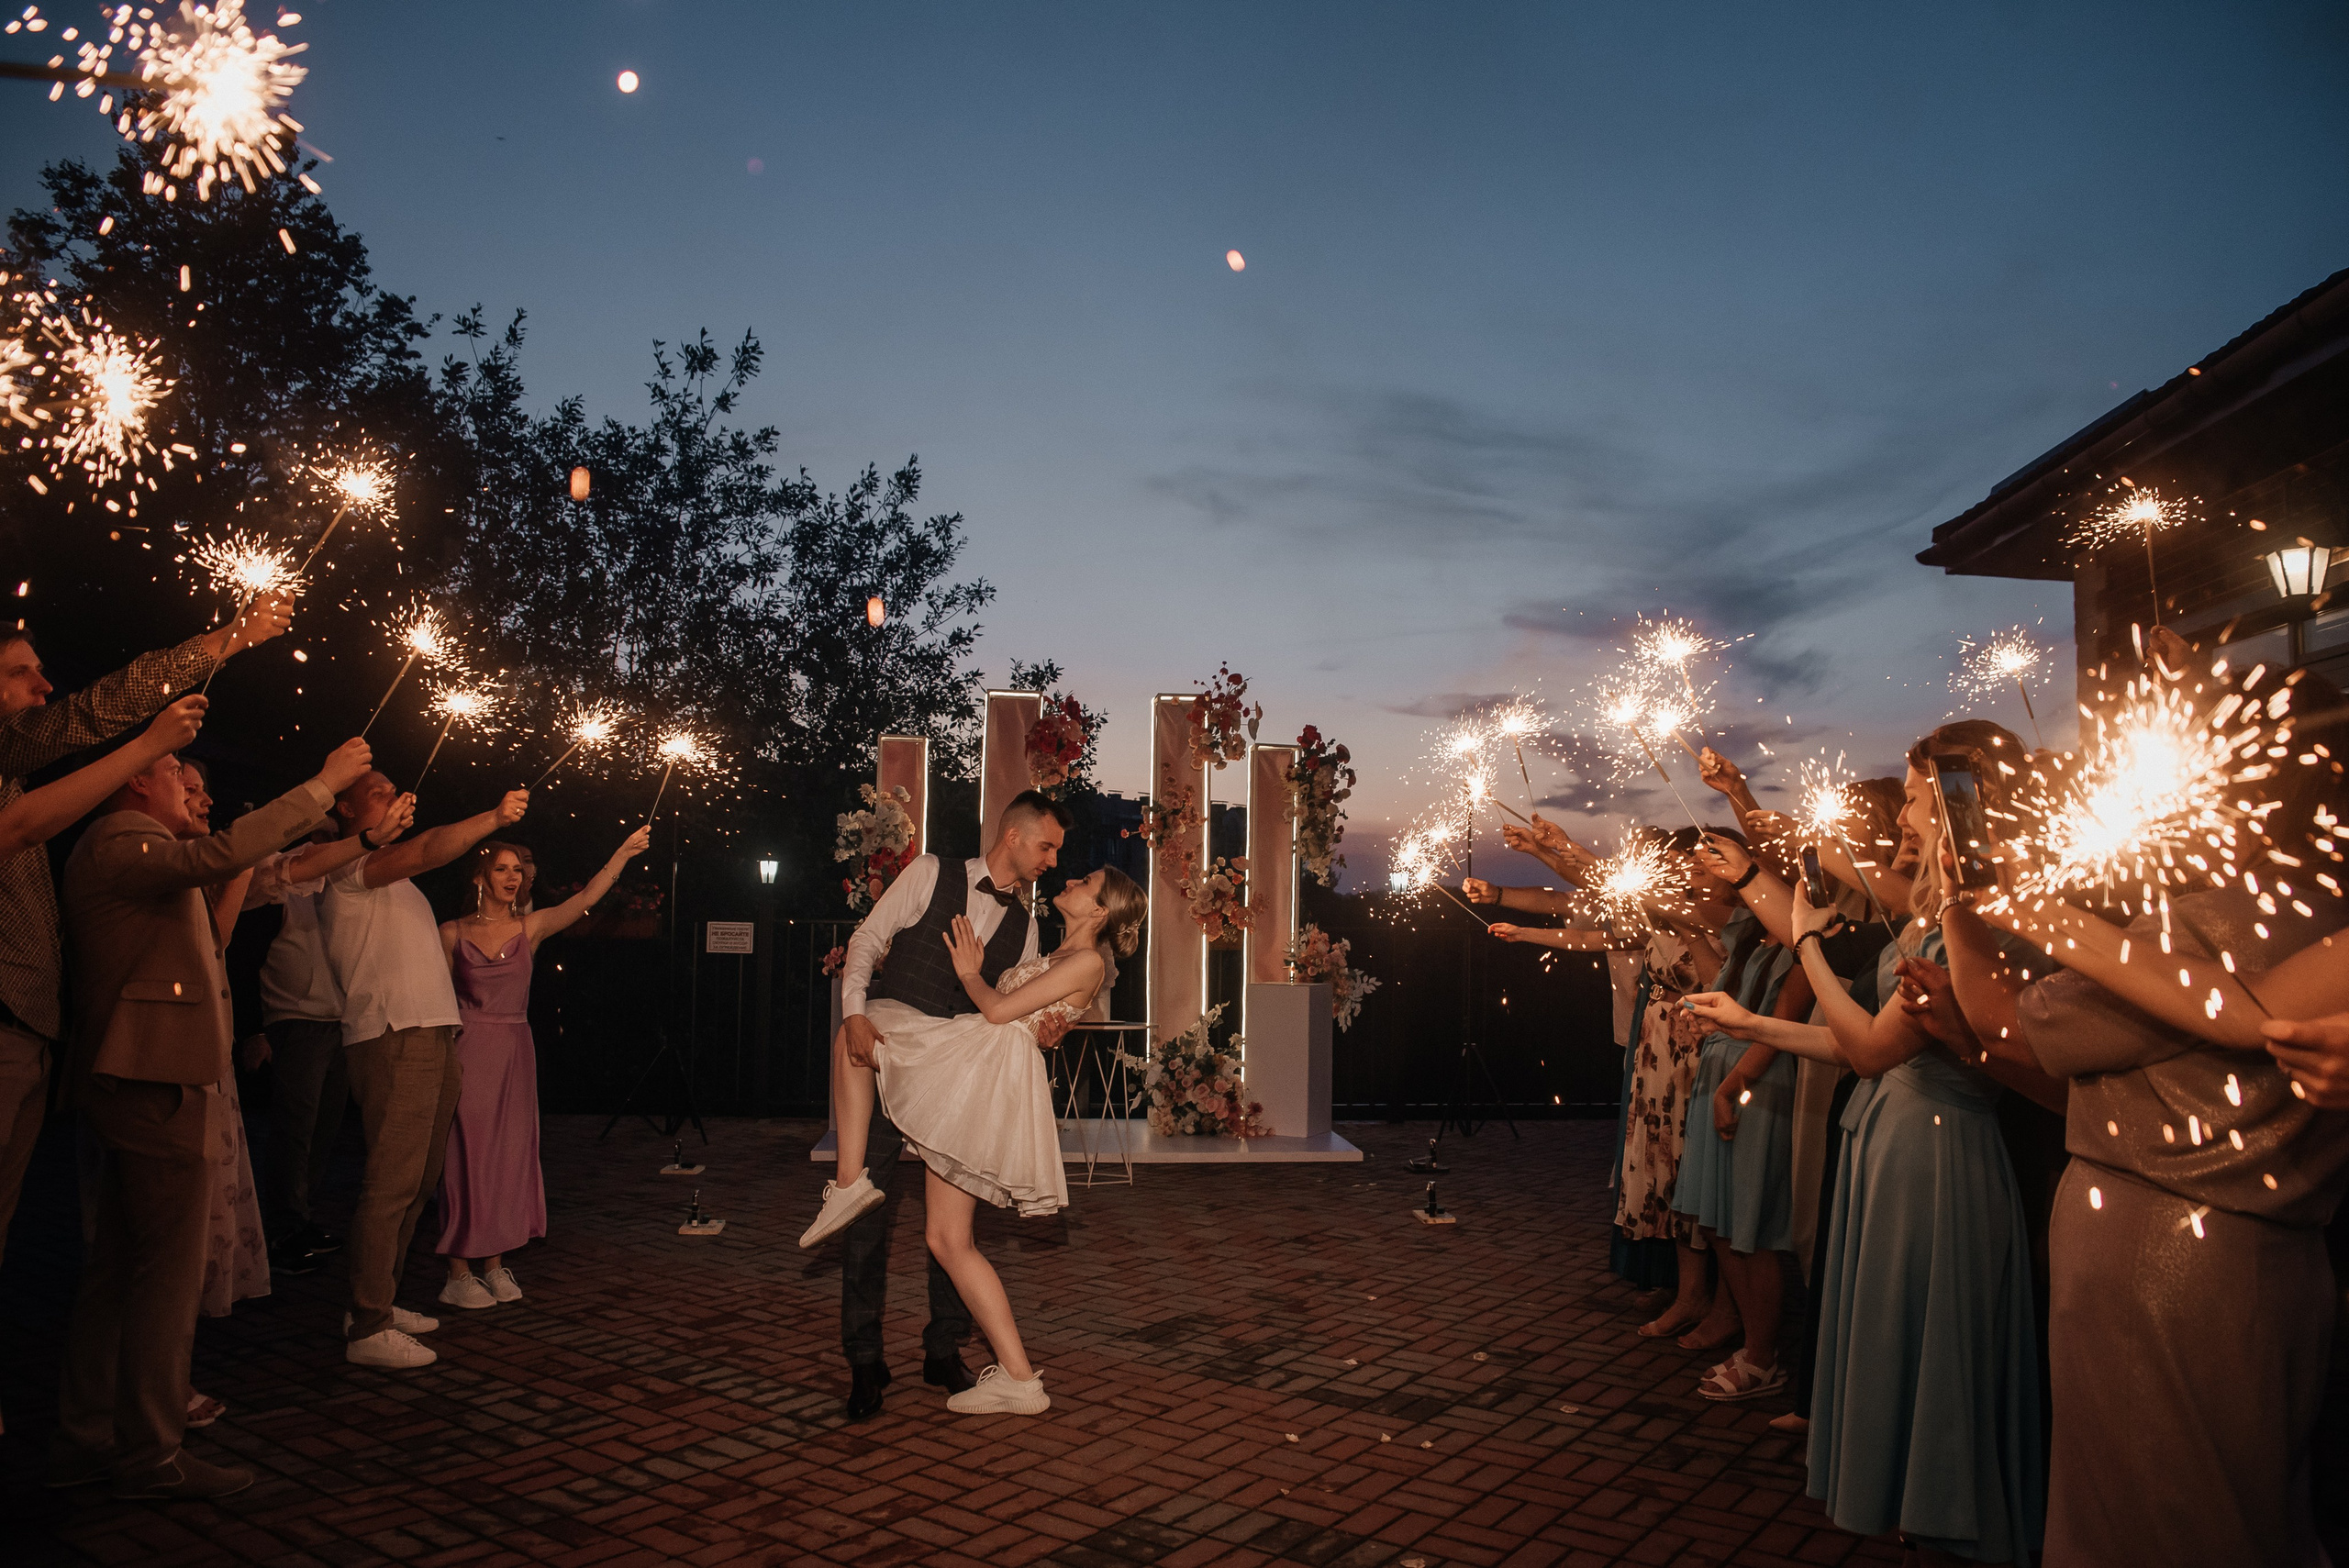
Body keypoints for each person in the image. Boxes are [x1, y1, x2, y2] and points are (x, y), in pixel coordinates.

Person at [1940, 664, 2349, 1568]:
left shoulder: (2186, 932)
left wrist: (1970, 918)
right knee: (2255, 1507)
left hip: (2158, 1258)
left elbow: (2006, 1022)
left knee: (2146, 1512)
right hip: (2288, 1259)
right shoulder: (2325, 914)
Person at [1695, 720, 2051, 1565]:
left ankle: (1946, 1509)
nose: (1911, 811)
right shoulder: (1931, 914)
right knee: (1895, 1339)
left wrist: (1808, 942)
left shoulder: (1973, 921)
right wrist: (1751, 1021)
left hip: (1936, 1158)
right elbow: (1856, 1031)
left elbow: (1863, 1042)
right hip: (1891, 1138)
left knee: (1933, 1349)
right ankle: (1910, 1504)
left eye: (1922, 793)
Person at [50, 732, 373, 1502]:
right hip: (150, 1079)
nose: (189, 785)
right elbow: (215, 856)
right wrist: (323, 786)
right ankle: (151, 1451)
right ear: (137, 787)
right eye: (173, 773)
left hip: (148, 1075)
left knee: (120, 1270)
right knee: (164, 1273)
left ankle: (86, 1433)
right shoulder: (123, 836)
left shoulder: (147, 851)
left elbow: (217, 883)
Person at [0, 598, 291, 1292]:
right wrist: (148, 738)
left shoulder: (10, 757)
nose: (45, 688)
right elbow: (24, 818)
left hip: (33, 1029)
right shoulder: (116, 841)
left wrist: (228, 640)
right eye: (20, 672)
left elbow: (87, 712)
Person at [807, 789, 1066, 1420]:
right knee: (865, 1215)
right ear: (1013, 836)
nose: (1052, 860)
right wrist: (856, 1015)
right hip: (891, 1058)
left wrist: (1045, 1026)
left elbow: (1010, 1009)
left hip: (960, 1082)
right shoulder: (929, 872)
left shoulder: (1028, 925)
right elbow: (866, 941)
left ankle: (942, 1349)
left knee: (953, 1230)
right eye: (1046, 846)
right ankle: (865, 1360)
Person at [876, 865, 1146, 1415]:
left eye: (1082, 882)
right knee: (945, 1238)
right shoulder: (1057, 954)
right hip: (979, 1066)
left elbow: (998, 1010)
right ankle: (1019, 1378)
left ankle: (1022, 1380)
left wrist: (970, 970)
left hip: (988, 1079)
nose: (1069, 881)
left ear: (1098, 911)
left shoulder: (1089, 960)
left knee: (950, 1238)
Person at [320, 773, 529, 1370]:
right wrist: (492, 817)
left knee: (418, 1181)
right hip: (393, 1034)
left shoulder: (398, 882)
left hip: (433, 1034)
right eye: (378, 788)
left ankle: (377, 1301)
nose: (393, 793)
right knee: (391, 1182)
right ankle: (367, 1322)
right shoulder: (349, 867)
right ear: (347, 807)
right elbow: (428, 845)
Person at [434, 826, 651, 1308]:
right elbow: (434, 1001)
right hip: (468, 1048)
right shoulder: (451, 932)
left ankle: (493, 1264)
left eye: (519, 869)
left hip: (514, 1049)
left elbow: (588, 898)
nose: (513, 877)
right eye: (502, 869)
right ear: (481, 877)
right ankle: (457, 1271)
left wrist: (622, 853)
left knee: (507, 1155)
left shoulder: (531, 928)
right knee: (464, 1155)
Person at [243, 816, 408, 1277]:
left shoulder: (346, 886)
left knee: (323, 1129)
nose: (327, 844)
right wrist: (253, 1030)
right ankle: (281, 1230)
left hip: (339, 1021)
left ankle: (302, 1219)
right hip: (296, 1019)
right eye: (318, 836)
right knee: (293, 1131)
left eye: (333, 836)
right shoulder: (281, 886)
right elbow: (245, 957)